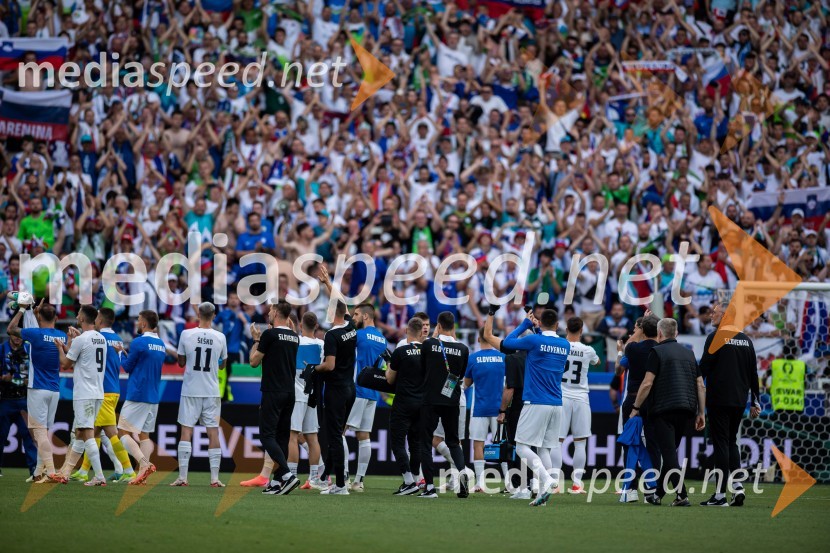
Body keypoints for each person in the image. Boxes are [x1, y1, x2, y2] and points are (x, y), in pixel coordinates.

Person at [489, 307, 570, 507]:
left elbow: (507, 343)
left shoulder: (535, 340)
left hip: (536, 401)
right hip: (556, 404)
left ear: (540, 324)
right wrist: (538, 328)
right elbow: (545, 343)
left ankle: (547, 479)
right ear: (558, 325)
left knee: (523, 446)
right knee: (544, 449)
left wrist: (525, 324)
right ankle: (543, 495)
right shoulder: (564, 344)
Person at [630, 318, 706, 507]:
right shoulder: (689, 353)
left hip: (664, 410)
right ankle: (657, 495)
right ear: (676, 333)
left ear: (660, 334)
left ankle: (682, 495)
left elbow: (647, 383)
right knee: (670, 453)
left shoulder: (657, 352)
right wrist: (701, 412)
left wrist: (636, 407)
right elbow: (700, 385)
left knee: (669, 455)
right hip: (686, 409)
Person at [698, 303, 761, 507]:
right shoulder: (746, 340)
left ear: (725, 316)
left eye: (715, 313)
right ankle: (738, 487)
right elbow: (753, 373)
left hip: (718, 399)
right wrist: (755, 401)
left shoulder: (715, 338)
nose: (711, 316)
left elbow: (703, 369)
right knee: (732, 442)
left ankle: (719, 495)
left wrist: (696, 396)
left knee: (721, 444)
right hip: (739, 401)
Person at [71, 308, 134, 483]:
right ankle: (84, 470)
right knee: (95, 432)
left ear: (99, 320)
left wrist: (76, 338)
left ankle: (128, 468)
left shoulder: (99, 338)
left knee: (110, 432)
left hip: (101, 389)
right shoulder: (118, 339)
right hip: (114, 387)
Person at [7, 301, 65, 483]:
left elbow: (11, 329)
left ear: (39, 317)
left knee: (38, 433)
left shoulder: (35, 334)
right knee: (44, 433)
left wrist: (23, 309)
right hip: (55, 390)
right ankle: (38, 472)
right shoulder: (62, 336)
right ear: (56, 318)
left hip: (37, 388)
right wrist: (37, 313)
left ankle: (51, 471)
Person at [171, 302, 228, 488]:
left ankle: (183, 477)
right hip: (211, 391)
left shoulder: (186, 334)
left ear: (198, 314)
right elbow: (223, 364)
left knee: (186, 431)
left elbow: (180, 362)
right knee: (213, 432)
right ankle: (214, 479)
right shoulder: (220, 337)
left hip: (190, 390)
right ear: (214, 315)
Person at [312, 266, 357, 496]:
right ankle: (327, 478)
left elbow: (328, 365)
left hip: (336, 390)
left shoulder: (332, 335)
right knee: (337, 435)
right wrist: (328, 283)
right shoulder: (351, 327)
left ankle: (340, 484)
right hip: (350, 388)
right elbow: (344, 305)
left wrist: (313, 369)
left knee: (334, 438)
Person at [249, 301, 301, 496]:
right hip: (290, 392)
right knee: (282, 437)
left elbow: (254, 362)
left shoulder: (269, 335)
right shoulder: (294, 336)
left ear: (277, 312)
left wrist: (256, 340)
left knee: (267, 435)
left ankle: (287, 474)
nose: (268, 313)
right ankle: (278, 481)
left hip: (273, 390)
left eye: (271, 310)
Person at [418, 311, 470, 499]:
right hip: (452, 401)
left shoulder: (429, 344)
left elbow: (422, 368)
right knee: (453, 441)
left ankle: (430, 487)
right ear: (454, 327)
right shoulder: (463, 349)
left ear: (438, 326)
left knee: (425, 442)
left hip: (430, 399)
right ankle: (462, 471)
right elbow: (461, 375)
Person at [55, 305, 109, 487]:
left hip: (84, 393)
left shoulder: (81, 340)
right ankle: (65, 473)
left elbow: (65, 364)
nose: (76, 315)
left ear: (83, 318)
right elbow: (86, 355)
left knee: (86, 434)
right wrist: (71, 342)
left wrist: (59, 348)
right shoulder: (101, 338)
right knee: (80, 433)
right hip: (98, 392)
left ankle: (100, 476)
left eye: (78, 313)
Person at [116, 310, 167, 485]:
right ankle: (141, 475)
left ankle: (144, 464)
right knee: (144, 435)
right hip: (153, 396)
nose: (137, 323)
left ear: (144, 323)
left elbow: (127, 367)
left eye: (138, 320)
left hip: (138, 394)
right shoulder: (160, 344)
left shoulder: (139, 342)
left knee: (122, 431)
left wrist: (120, 353)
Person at [551, 316, 600, 494]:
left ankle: (555, 482)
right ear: (581, 330)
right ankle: (577, 483)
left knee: (557, 441)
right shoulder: (588, 350)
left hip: (561, 396)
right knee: (580, 443)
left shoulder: (559, 347)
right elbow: (597, 362)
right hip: (581, 398)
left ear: (566, 328)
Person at [617, 314, 661, 503]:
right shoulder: (662, 349)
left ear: (641, 329)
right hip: (655, 402)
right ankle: (652, 490)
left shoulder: (633, 349)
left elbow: (623, 358)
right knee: (653, 444)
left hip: (633, 400)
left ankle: (631, 489)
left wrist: (640, 328)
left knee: (630, 442)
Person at [347, 303, 388, 492]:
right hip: (373, 392)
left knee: (340, 431)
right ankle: (359, 481)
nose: (354, 317)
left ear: (365, 316)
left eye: (356, 314)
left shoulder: (358, 336)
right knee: (364, 436)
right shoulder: (382, 339)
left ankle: (344, 477)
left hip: (357, 389)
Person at [386, 317, 426, 496]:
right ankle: (417, 479)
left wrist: (389, 365)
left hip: (403, 403)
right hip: (422, 403)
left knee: (397, 442)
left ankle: (409, 481)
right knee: (415, 443)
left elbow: (389, 379)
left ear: (407, 331)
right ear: (421, 331)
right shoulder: (428, 352)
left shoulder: (400, 351)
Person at [463, 328, 506, 492]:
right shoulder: (503, 358)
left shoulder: (473, 359)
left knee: (478, 445)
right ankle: (509, 482)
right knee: (503, 446)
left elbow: (465, 384)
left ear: (478, 338)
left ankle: (481, 482)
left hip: (479, 408)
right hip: (499, 408)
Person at [292, 311, 326, 490]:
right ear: (317, 326)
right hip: (312, 395)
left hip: (297, 394)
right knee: (312, 437)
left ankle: (291, 475)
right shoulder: (321, 344)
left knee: (292, 436)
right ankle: (314, 478)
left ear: (300, 325)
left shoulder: (295, 342)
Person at [0, 331, 37, 478]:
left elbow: (38, 370)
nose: (18, 338)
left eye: (21, 336)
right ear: (10, 334)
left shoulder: (30, 349)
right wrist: (2, 378)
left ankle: (34, 469)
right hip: (5, 400)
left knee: (29, 436)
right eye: (16, 335)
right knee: (1, 435)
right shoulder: (2, 349)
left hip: (24, 400)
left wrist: (32, 380)